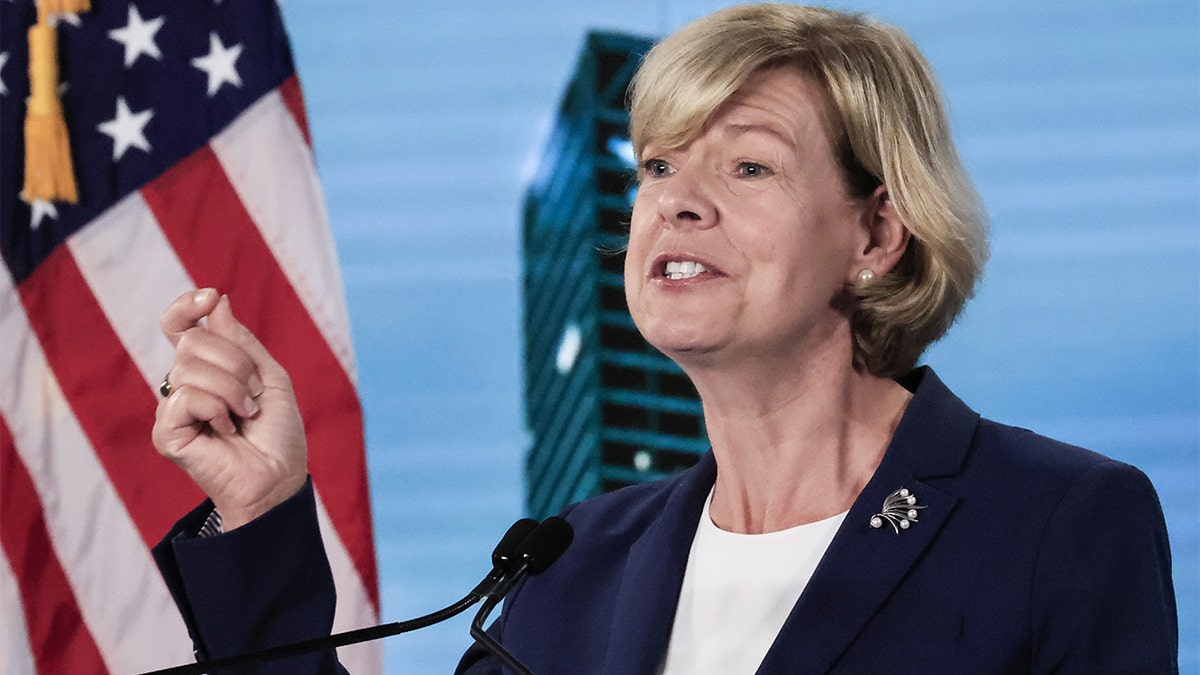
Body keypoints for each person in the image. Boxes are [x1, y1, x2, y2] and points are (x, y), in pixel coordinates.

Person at [151, 3, 1178, 673]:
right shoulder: (569, 566)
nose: (676, 204)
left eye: (747, 168)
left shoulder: (1060, 522)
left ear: (875, 232)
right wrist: (264, 510)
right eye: (656, 167)